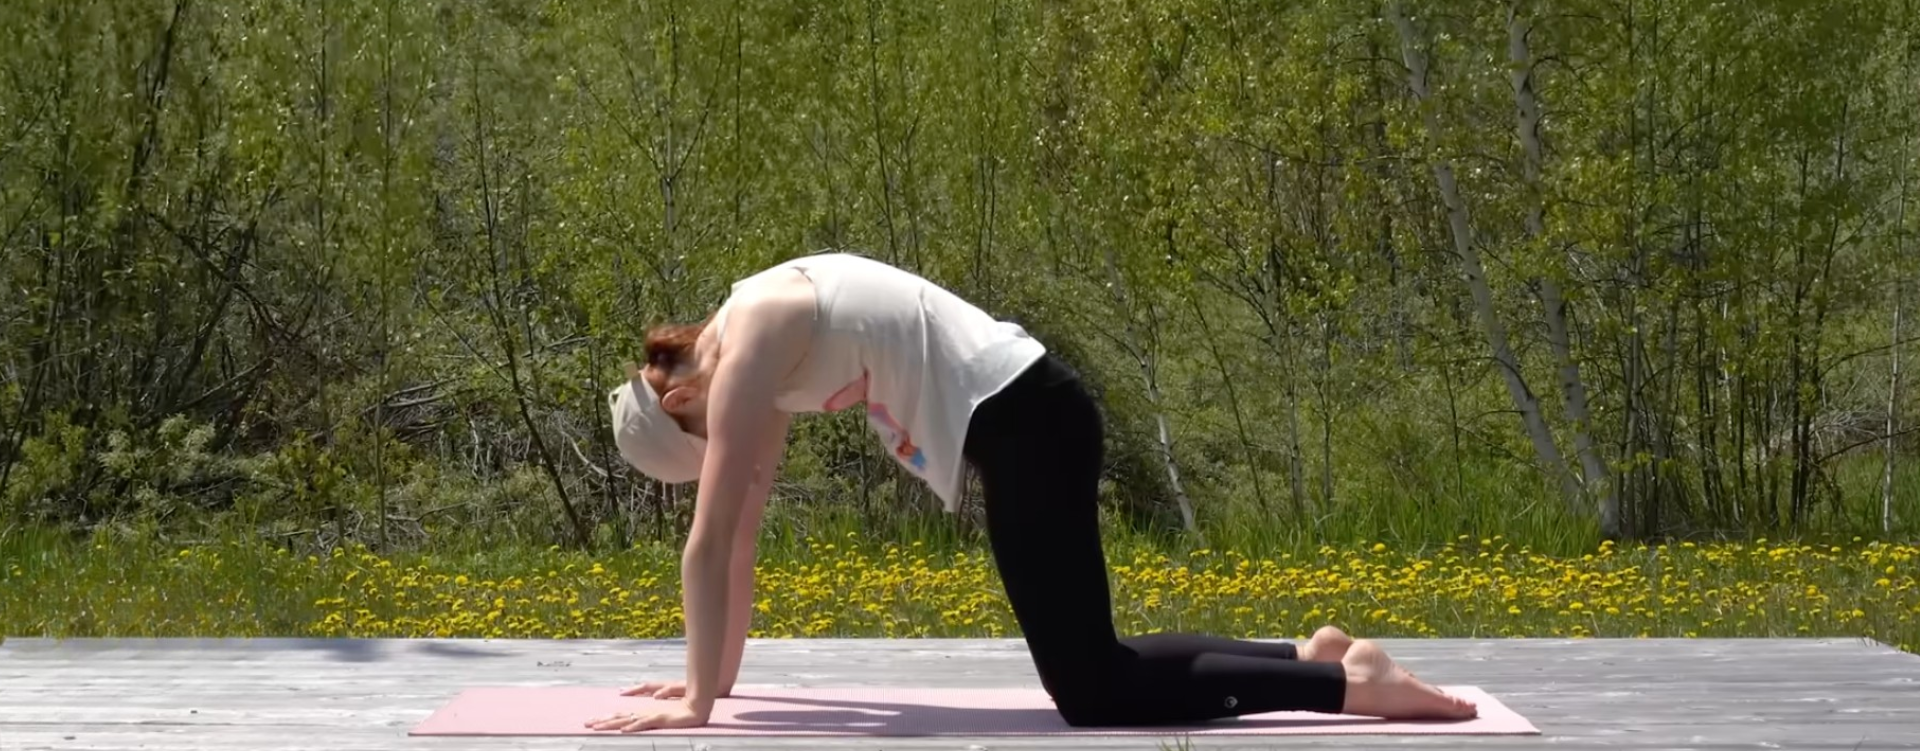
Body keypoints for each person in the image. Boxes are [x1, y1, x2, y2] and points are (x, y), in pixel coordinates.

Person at [589, 252, 1477, 733]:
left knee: (1093, 693)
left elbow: (704, 541)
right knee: (1097, 665)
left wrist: (698, 708)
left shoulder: (744, 348)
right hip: (1027, 422)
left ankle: (1350, 684)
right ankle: (1306, 655)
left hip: (1029, 425)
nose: (722, 451)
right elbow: (739, 535)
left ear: (677, 400)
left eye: (700, 446)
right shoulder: (756, 338)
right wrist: (712, 683)